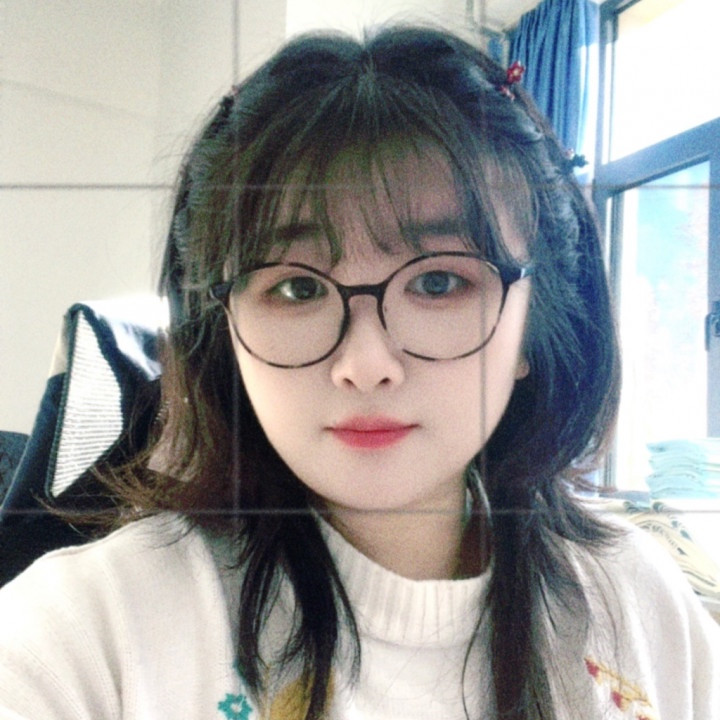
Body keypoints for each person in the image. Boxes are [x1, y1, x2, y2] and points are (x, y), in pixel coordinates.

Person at [0, 25, 718, 720]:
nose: (366, 365)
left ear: (535, 322)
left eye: (438, 282)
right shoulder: (87, 635)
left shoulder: (637, 601)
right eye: (297, 288)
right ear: (224, 327)